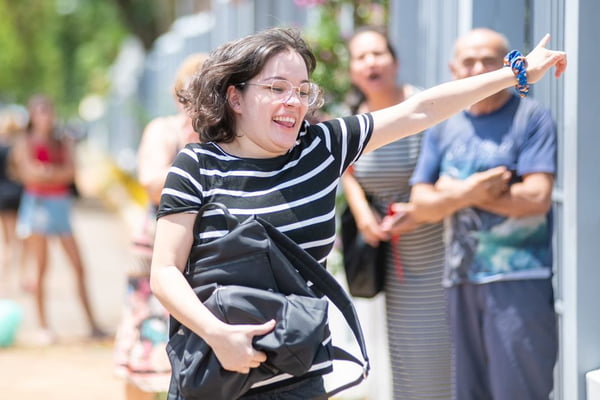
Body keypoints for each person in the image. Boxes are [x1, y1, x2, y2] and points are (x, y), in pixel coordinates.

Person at [149, 26, 566, 399]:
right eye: (276, 88)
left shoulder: (322, 147)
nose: (293, 101)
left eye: (302, 89)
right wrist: (217, 334)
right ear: (235, 96)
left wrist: (517, 72)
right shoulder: (198, 165)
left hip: (299, 374)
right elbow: (165, 271)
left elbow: (422, 109)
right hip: (214, 373)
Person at [409, 28, 559, 400]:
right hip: (460, 279)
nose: (479, 68)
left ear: (508, 65)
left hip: (519, 277)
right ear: (453, 69)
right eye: (469, 61)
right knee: (469, 392)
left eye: (490, 60)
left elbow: (537, 197)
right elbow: (421, 203)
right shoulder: (443, 125)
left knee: (520, 391)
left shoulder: (531, 117)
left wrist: (452, 190)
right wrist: (476, 190)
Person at [340, 26, 452, 399]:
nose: (371, 62)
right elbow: (346, 172)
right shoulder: (352, 118)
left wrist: (419, 212)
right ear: (353, 70)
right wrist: (361, 214)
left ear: (395, 60)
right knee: (405, 358)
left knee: (444, 353)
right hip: (391, 255)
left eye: (378, 53)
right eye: (361, 56)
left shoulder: (422, 107)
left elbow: (447, 171)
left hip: (438, 246)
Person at [113, 53, 208, 400]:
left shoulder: (220, 134)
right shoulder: (164, 130)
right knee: (145, 344)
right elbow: (150, 180)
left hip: (201, 251)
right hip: (156, 248)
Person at [12, 94, 105, 344]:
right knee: (41, 269)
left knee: (78, 265)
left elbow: (70, 173)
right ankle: (44, 327)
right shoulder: (25, 142)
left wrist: (46, 174)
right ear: (32, 115)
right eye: (41, 110)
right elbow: (29, 175)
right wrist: (53, 174)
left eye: (48, 110)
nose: (46, 115)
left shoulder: (61, 141)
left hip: (58, 206)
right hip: (38, 206)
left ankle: (92, 324)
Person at [0, 106, 27, 292]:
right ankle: (16, 278)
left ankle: (5, 279)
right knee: (19, 242)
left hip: (2, 196)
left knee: (6, 240)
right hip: (16, 196)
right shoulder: (18, 148)